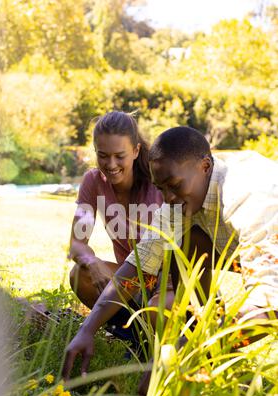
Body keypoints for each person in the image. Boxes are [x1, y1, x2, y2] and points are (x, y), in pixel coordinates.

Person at [63, 126, 278, 381]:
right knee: (185, 240)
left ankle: (200, 355)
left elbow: (270, 306)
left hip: (267, 259)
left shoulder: (248, 196)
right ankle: (191, 333)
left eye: (174, 186)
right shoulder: (177, 203)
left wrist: (186, 354)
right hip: (239, 253)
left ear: (205, 166)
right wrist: (87, 329)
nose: (168, 198)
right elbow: (139, 266)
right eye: (161, 189)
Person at [68, 111, 174, 342]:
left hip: (169, 281)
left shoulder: (158, 181)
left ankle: (159, 339)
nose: (111, 164)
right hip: (132, 280)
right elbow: (77, 243)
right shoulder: (93, 182)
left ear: (136, 151)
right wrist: (92, 262)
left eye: (119, 156)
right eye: (103, 155)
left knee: (161, 307)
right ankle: (134, 339)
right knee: (80, 275)